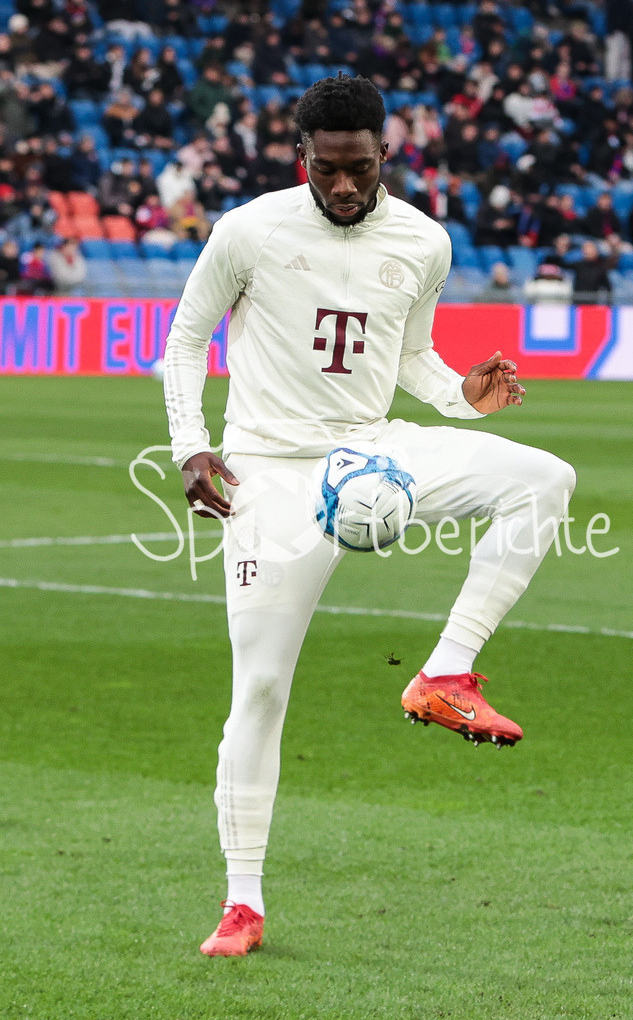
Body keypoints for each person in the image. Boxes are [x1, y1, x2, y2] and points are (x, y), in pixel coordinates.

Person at [162, 75, 575, 958]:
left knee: (544, 478)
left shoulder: (425, 240)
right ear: (300, 156)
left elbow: (414, 356)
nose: (343, 187)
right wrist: (193, 448)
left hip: (375, 447)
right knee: (262, 689)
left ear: (385, 154)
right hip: (269, 469)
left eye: (358, 168)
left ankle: (445, 674)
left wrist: (463, 397)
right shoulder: (248, 230)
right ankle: (243, 901)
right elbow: (187, 339)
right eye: (327, 169)